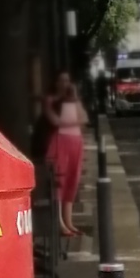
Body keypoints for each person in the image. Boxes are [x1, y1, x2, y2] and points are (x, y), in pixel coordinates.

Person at [44, 70, 88, 238]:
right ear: (55, 82)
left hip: (76, 142)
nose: (64, 84)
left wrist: (75, 98)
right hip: (59, 142)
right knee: (59, 181)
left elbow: (84, 118)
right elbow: (55, 121)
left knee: (72, 180)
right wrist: (75, 121)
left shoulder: (73, 100)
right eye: (61, 80)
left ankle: (68, 221)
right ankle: (59, 222)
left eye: (67, 80)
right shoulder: (51, 100)